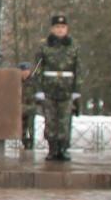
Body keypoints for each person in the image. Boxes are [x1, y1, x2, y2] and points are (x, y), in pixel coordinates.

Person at [34, 15, 82, 161]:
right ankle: (52, 148)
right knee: (50, 120)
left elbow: (78, 69)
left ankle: (63, 149)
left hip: (67, 89)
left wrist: (76, 90)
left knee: (65, 121)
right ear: (52, 29)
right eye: (57, 27)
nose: (60, 30)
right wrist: (39, 89)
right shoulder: (44, 47)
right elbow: (38, 68)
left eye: (62, 27)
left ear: (67, 29)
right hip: (49, 89)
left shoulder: (73, 46)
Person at [19, 61, 36, 150]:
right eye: (23, 70)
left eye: (26, 70)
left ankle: (30, 145)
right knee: (22, 128)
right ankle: (24, 143)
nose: (25, 72)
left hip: (30, 107)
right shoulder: (17, 81)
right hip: (20, 107)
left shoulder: (34, 82)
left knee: (31, 128)